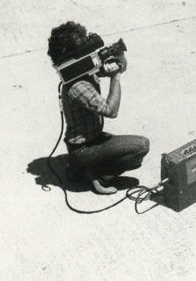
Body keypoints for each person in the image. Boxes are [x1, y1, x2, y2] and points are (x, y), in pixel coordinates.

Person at [47, 22, 150, 195]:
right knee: (140, 146)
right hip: (84, 148)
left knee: (132, 157)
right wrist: (114, 78)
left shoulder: (81, 71)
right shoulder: (78, 85)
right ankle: (98, 175)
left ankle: (81, 168)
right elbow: (111, 111)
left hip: (94, 138)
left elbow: (121, 68)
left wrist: (119, 57)